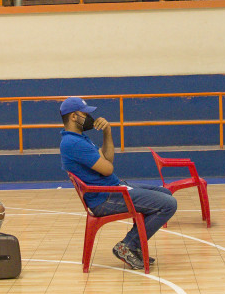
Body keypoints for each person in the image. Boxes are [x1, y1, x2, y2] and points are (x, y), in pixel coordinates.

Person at [59, 96, 175, 270]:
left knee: (166, 194)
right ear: (74, 116)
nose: (89, 117)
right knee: (169, 204)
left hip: (112, 189)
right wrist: (107, 165)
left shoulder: (79, 138)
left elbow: (108, 159)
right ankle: (128, 245)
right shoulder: (73, 143)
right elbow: (108, 169)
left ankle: (134, 245)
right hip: (105, 198)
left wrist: (107, 131)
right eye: (85, 114)